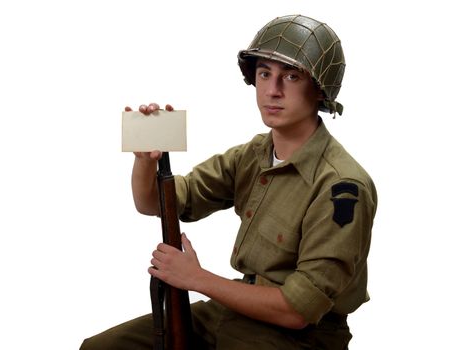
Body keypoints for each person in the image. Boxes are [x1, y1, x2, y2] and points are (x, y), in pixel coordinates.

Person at [81, 14, 377, 349]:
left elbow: (299, 310)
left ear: (319, 89)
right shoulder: (252, 155)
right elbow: (156, 203)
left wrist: (195, 278)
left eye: (290, 76)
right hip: (234, 307)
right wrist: (144, 162)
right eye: (265, 73)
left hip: (301, 335)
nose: (272, 90)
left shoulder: (341, 186)